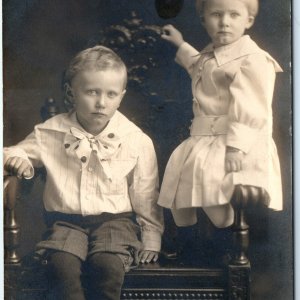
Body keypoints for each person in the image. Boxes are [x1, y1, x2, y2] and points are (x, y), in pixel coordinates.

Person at [4, 45, 164, 300]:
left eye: (111, 94)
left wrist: (152, 237)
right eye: (91, 92)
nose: (101, 103)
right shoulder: (51, 132)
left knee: (107, 266)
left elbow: (145, 192)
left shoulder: (135, 139)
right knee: (61, 266)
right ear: (71, 93)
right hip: (66, 223)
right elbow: (11, 152)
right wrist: (18, 159)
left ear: (121, 96)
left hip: (116, 222)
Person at [158, 0, 283, 257]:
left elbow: (252, 107)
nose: (224, 21)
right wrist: (181, 44)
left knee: (212, 187)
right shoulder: (212, 55)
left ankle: (222, 243)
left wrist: (236, 147)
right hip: (205, 137)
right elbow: (202, 69)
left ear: (248, 20)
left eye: (233, 15)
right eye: (216, 14)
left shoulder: (252, 60)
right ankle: (189, 244)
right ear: (204, 20)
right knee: (177, 178)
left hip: (236, 140)